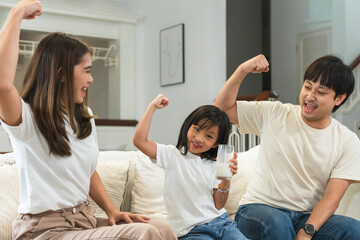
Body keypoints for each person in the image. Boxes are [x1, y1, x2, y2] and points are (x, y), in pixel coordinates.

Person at [0, 1, 176, 239]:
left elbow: (87, 170)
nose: (91, 79)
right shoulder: (26, 118)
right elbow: (2, 84)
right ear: (61, 73)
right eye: (86, 70)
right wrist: (16, 13)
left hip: (83, 220)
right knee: (142, 233)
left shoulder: (83, 118)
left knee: (162, 228)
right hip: (44, 231)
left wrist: (111, 209)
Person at [214, 54, 360, 240]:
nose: (309, 96)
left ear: (338, 99)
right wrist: (243, 69)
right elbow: (222, 109)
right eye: (307, 87)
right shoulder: (276, 113)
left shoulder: (347, 140)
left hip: (305, 216)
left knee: (354, 229)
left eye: (321, 92)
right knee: (278, 224)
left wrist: (307, 231)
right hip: (257, 209)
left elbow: (332, 197)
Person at [133, 94, 247, 240]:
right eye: (197, 129)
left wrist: (226, 179)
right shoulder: (171, 155)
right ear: (188, 126)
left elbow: (218, 205)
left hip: (222, 224)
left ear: (216, 144)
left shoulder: (215, 164)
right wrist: (152, 107)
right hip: (191, 232)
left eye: (209, 136)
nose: (199, 138)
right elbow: (139, 141)